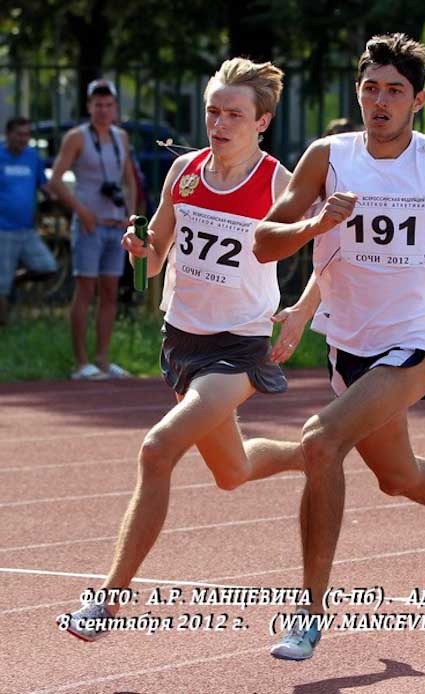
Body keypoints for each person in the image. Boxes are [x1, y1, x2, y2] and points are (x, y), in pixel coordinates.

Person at [252, 33, 425, 660]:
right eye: (371, 88)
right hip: (350, 339)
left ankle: (308, 614)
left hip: (418, 335)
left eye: (395, 91)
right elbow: (266, 242)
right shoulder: (328, 157)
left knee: (321, 441)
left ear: (418, 100)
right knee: (396, 477)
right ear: (358, 93)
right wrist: (316, 224)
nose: (381, 101)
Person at [59, 57, 305, 642]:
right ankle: (312, 453)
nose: (219, 124)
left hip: (240, 347)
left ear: (262, 121)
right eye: (213, 112)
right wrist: (141, 248)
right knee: (232, 472)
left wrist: (302, 312)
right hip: (181, 340)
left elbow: (330, 248)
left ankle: (106, 600)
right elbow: (157, 251)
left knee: (157, 449)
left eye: (234, 115)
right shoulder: (185, 172)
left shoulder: (278, 182)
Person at [49, 79, 138, 380]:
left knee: (110, 291)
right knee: (85, 289)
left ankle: (102, 359)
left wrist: (130, 214)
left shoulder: (120, 137)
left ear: (115, 108)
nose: (103, 110)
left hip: (116, 225)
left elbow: (129, 179)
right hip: (90, 225)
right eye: (98, 104)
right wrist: (81, 210)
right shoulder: (76, 137)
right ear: (89, 106)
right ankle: (81, 362)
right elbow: (56, 180)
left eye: (108, 105)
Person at [0, 116, 59, 325]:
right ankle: (4, 328)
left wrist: (54, 196)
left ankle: (16, 279)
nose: (23, 139)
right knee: (1, 286)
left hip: (27, 230)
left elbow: (43, 185)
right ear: (8, 134)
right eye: (19, 134)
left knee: (48, 267)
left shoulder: (32, 157)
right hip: (3, 230)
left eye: (27, 134)